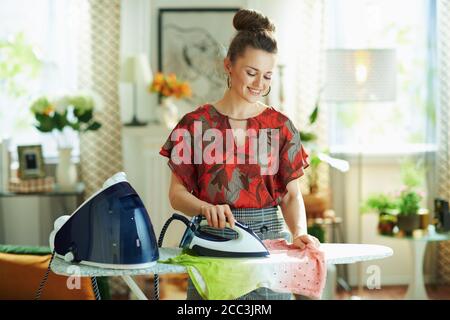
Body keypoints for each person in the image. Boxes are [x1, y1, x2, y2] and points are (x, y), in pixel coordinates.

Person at [159, 8, 320, 300]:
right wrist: (205, 208)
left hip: (269, 248)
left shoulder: (281, 127)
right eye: (251, 72)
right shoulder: (195, 125)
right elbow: (176, 194)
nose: (260, 84)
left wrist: (298, 233)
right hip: (213, 243)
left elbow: (291, 195)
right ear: (228, 65)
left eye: (267, 75)